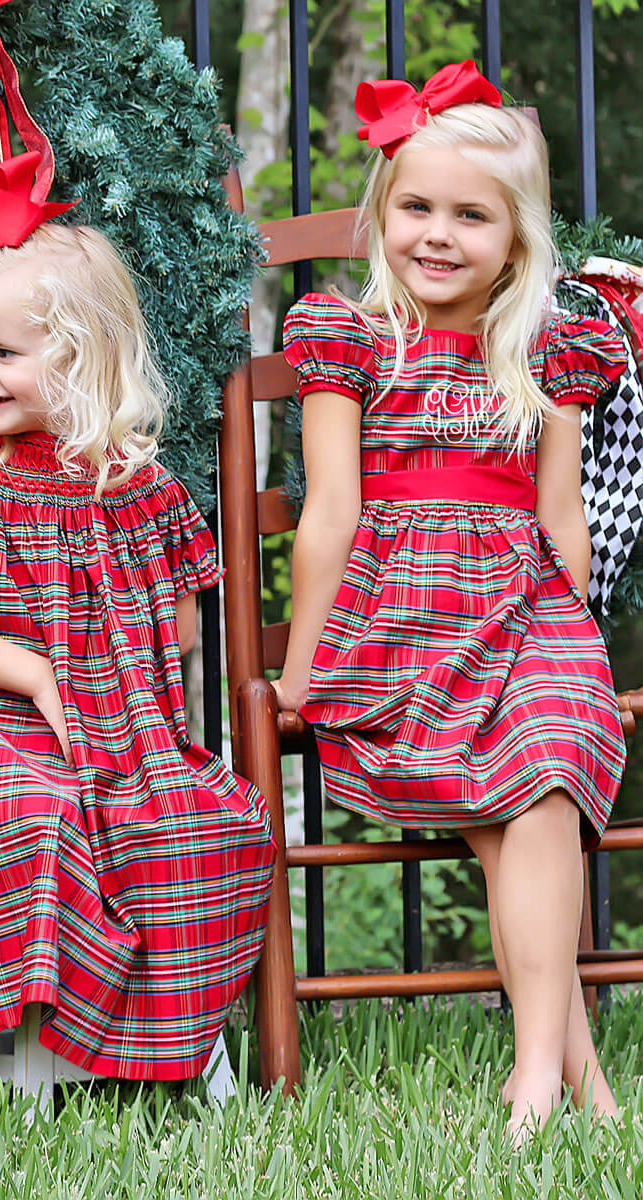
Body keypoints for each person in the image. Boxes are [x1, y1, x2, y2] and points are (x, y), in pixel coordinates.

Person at [272, 62, 628, 1139]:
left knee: (554, 744)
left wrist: (573, 642)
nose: (437, 235)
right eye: (416, 208)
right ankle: (580, 1079)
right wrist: (303, 665)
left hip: (530, 613)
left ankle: (534, 1080)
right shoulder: (349, 340)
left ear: (516, 239)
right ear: (383, 214)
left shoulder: (551, 351)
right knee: (520, 802)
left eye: (471, 216)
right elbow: (329, 511)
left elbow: (561, 519)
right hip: (405, 625)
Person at [0, 153, 276, 1084]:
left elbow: (179, 629)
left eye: (5, 354)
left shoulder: (140, 485)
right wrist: (43, 674)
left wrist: (122, 696)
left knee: (197, 815)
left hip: (120, 725)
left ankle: (152, 1048)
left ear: (84, 355)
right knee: (37, 817)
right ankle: (41, 1053)